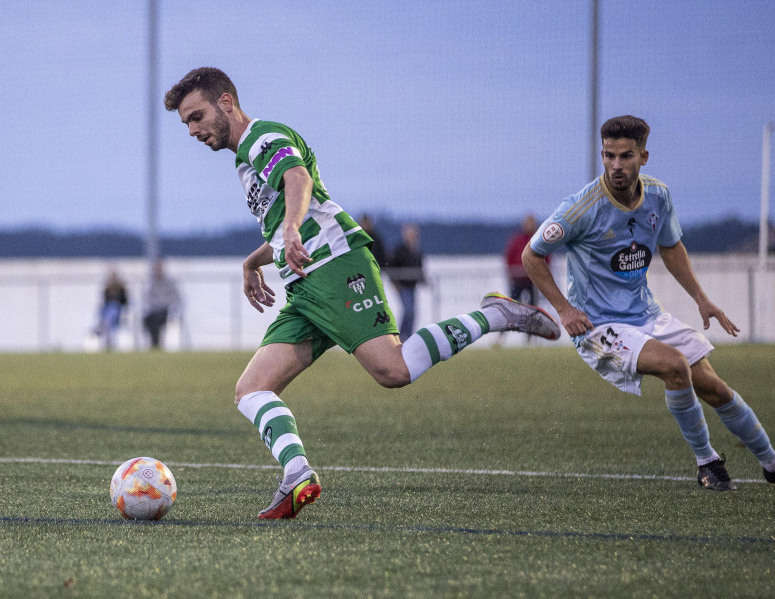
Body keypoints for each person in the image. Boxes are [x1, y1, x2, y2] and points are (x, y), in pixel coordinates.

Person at [164, 67, 561, 519]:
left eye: (197, 117)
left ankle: (494, 315)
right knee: (250, 389)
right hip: (304, 288)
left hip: (335, 266)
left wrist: (292, 227)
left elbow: (298, 180)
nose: (193, 130)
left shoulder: (261, 137)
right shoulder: (243, 162)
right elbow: (280, 218)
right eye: (186, 124)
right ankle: (296, 473)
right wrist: (253, 260)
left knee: (393, 371)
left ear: (227, 103)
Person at [522, 115, 775, 491]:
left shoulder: (658, 196)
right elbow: (532, 255)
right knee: (676, 367)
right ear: (601, 154)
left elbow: (671, 245)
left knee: (714, 387)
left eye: (625, 156)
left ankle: (773, 465)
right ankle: (707, 463)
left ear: (644, 156)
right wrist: (564, 310)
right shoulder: (581, 209)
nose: (616, 166)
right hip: (599, 327)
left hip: (647, 315)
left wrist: (701, 299)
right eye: (609, 156)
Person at [388, 223, 425, 341]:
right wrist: (395, 283)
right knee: (408, 310)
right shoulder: (399, 250)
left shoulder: (417, 250)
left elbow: (419, 267)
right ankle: (402, 335)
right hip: (403, 285)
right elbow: (392, 267)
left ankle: (408, 336)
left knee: (413, 312)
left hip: (412, 285)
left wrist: (422, 279)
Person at [504, 215, 546, 306]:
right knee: (514, 302)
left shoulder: (538, 240)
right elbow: (509, 257)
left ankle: (533, 318)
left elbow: (546, 257)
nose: (529, 226)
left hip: (533, 279)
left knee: (533, 303)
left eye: (531, 224)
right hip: (517, 278)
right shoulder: (517, 241)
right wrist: (511, 271)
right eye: (528, 224)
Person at [143, 259, 183, 349]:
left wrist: (169, 306)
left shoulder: (170, 282)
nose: (157, 270)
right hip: (155, 310)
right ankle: (155, 343)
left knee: (159, 318)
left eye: (159, 268)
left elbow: (176, 298)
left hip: (167, 310)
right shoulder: (151, 283)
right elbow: (148, 298)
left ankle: (157, 344)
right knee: (148, 320)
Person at [97, 268, 128, 351]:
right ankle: (101, 325)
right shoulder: (107, 290)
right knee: (105, 310)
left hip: (118, 312)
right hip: (108, 311)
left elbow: (125, 303)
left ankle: (102, 326)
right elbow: (104, 302)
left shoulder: (122, 289)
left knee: (113, 308)